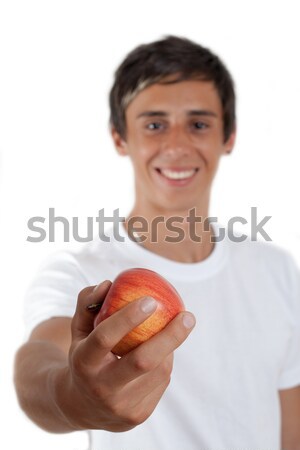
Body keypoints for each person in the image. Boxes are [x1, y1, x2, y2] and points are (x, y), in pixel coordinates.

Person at [14, 35, 300, 449]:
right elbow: (39, 362)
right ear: (119, 138)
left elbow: (290, 425)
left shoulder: (277, 271)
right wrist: (73, 398)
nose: (177, 146)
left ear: (229, 136)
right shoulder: (77, 271)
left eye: (199, 124)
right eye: (154, 124)